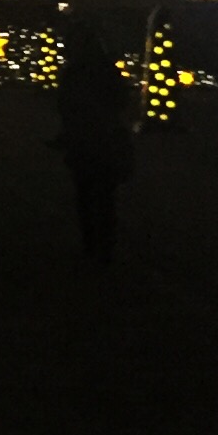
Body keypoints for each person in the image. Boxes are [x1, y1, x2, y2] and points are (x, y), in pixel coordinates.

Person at [54, 21, 137, 265]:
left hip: (84, 139)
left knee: (86, 195)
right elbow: (122, 100)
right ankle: (105, 245)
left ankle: (91, 244)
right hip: (105, 137)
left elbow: (65, 106)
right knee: (105, 197)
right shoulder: (108, 70)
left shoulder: (72, 73)